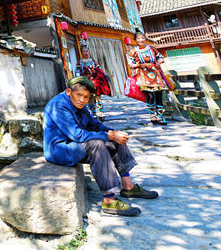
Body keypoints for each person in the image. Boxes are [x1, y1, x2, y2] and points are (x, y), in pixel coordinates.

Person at [44, 76, 159, 217]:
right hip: (60, 150)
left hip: (76, 146)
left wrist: (113, 132)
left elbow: (94, 125)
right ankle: (109, 200)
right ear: (69, 91)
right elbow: (77, 135)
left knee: (115, 140)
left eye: (86, 97)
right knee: (97, 144)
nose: (82, 100)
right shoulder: (58, 105)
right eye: (79, 95)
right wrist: (108, 135)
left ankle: (128, 186)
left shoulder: (80, 105)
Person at [128, 30, 168, 125]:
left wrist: (158, 63)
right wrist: (139, 65)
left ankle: (160, 116)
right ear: (135, 40)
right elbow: (131, 64)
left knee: (159, 95)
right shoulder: (133, 52)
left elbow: (160, 57)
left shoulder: (152, 49)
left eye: (142, 38)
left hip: (155, 74)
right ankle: (152, 115)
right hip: (143, 75)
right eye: (139, 38)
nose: (141, 40)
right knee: (149, 95)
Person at [79, 47, 111, 121]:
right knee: (90, 97)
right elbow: (77, 72)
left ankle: (101, 112)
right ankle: (94, 113)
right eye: (84, 51)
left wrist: (96, 72)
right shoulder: (80, 63)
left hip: (95, 81)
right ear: (81, 53)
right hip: (86, 82)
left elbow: (99, 70)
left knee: (98, 97)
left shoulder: (93, 61)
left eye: (87, 51)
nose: (86, 53)